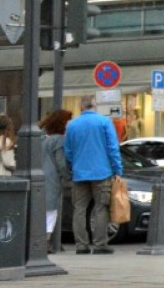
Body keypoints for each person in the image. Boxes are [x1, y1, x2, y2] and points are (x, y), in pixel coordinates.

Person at [64, 96, 123, 254]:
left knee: (79, 209)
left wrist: (74, 165)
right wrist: (117, 170)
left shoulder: (72, 125)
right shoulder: (104, 122)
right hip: (102, 172)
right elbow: (112, 148)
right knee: (101, 207)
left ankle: (81, 245)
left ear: (81, 107)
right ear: (95, 106)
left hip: (79, 173)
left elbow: (68, 151)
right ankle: (100, 244)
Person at [40, 108, 74, 254]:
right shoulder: (59, 140)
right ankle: (46, 241)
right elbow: (61, 163)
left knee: (39, 209)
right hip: (52, 178)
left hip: (39, 176)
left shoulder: (41, 138)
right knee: (51, 211)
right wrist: (68, 176)